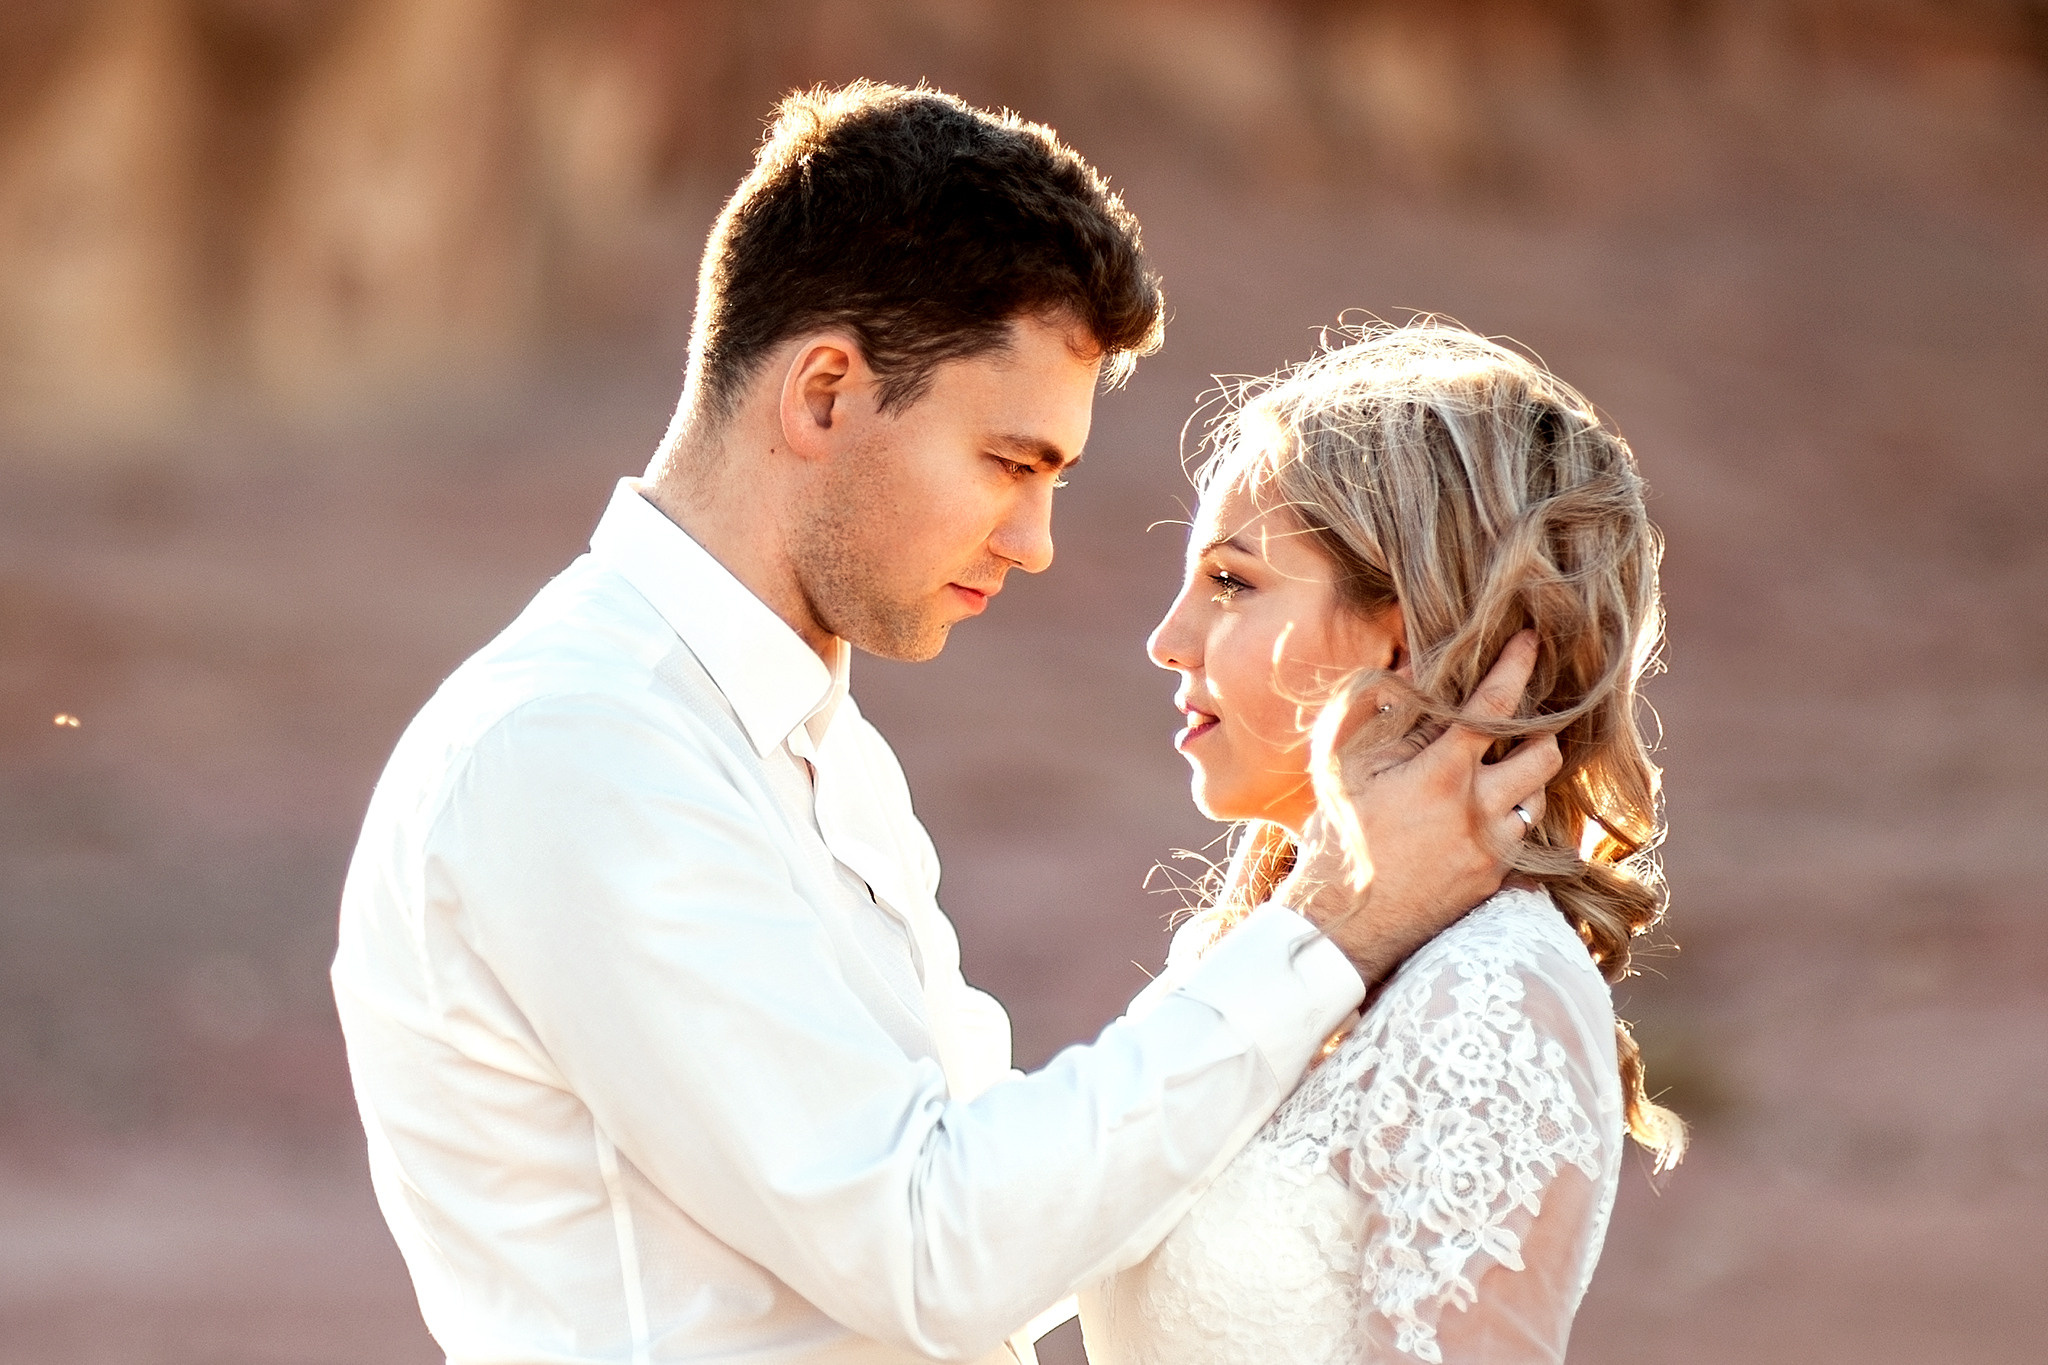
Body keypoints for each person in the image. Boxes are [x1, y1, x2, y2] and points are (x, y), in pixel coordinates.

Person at [330, 85, 1559, 1365]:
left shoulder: (818, 747)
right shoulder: (579, 749)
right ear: (823, 395)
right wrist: (1333, 921)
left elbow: (1011, 1219)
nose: (1033, 543)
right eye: (1009, 464)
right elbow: (934, 1254)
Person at [1080, 322, 1685, 1365]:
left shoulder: (1494, 996)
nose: (1166, 640)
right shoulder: (1241, 952)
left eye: (1231, 582)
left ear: (1403, 639)